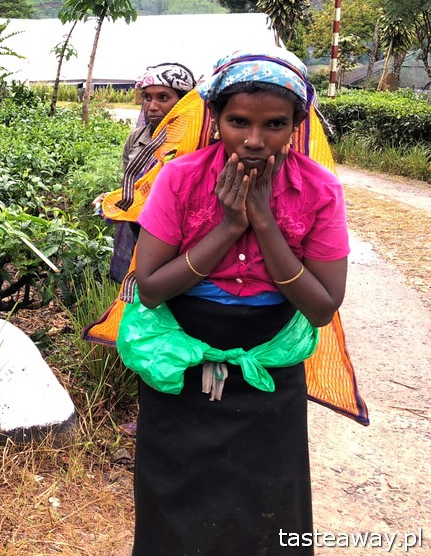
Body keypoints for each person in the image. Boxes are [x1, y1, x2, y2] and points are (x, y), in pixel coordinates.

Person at [119, 48, 350, 555]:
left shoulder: (318, 191)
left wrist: (264, 224)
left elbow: (322, 307)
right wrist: (228, 228)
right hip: (181, 367)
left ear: (296, 125)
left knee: (268, 506)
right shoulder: (180, 179)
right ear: (215, 118)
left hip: (268, 376)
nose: (253, 140)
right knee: (173, 502)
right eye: (238, 121)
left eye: (275, 124)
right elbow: (153, 287)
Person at [96, 62, 197, 282]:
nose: (152, 106)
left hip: (177, 239)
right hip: (137, 231)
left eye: (163, 97)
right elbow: (134, 187)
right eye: (147, 97)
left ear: (184, 102)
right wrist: (113, 198)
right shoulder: (137, 138)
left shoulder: (195, 142)